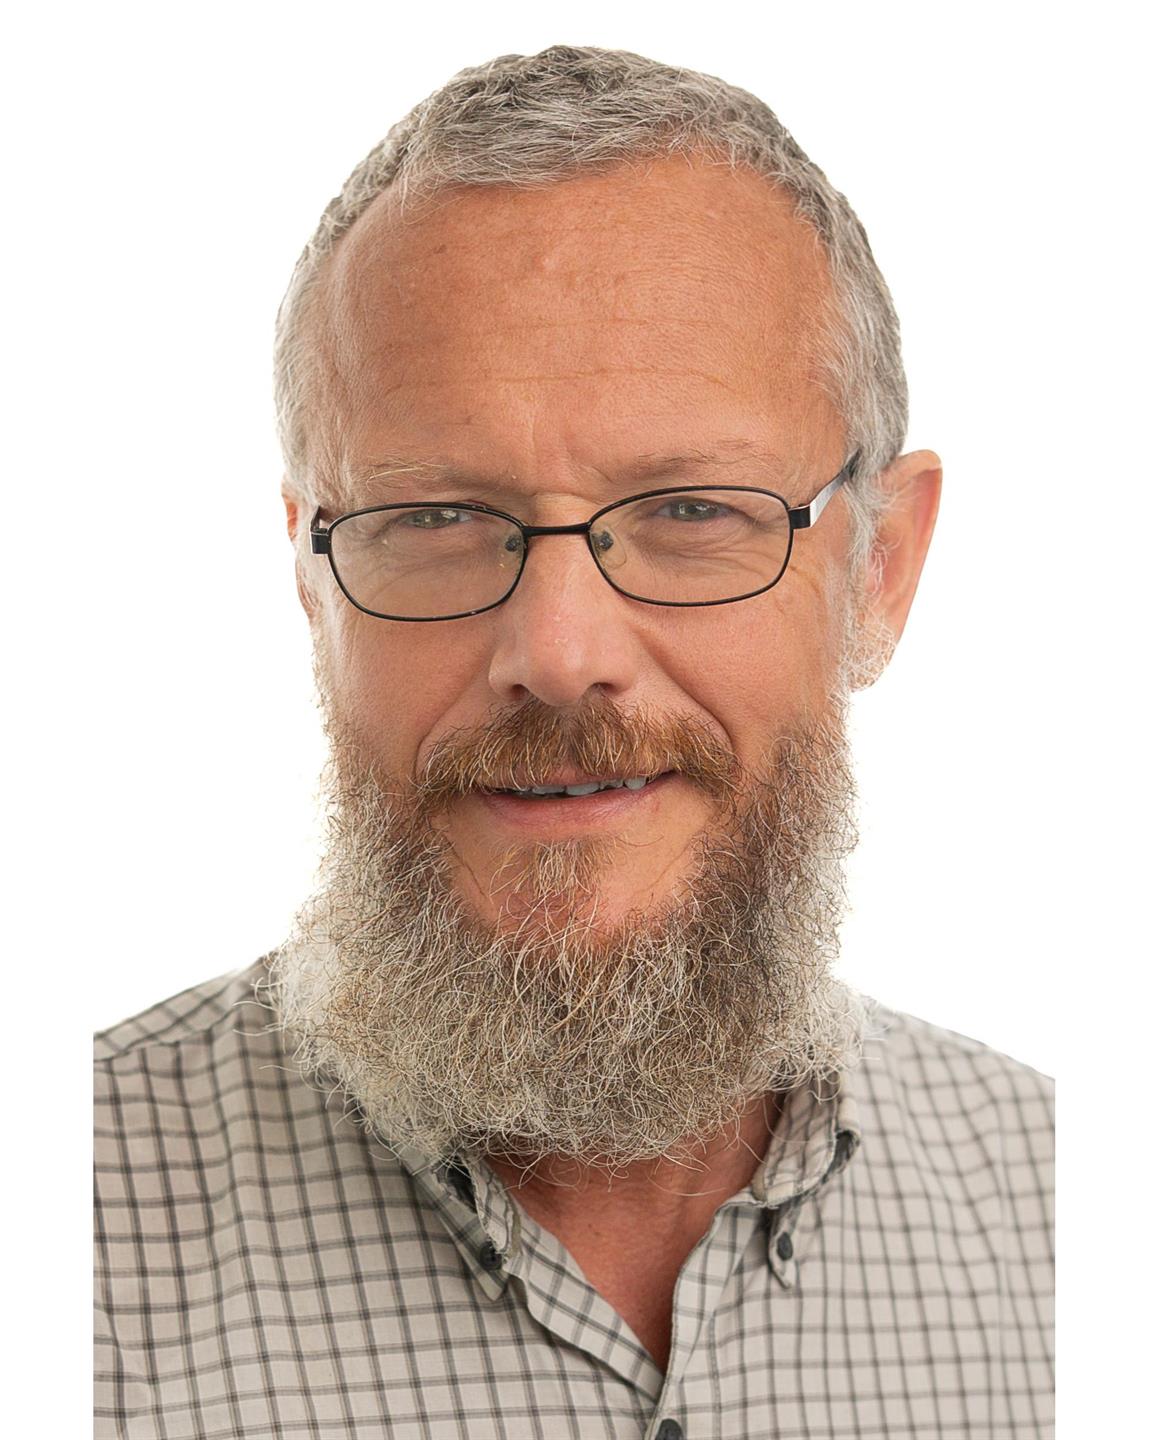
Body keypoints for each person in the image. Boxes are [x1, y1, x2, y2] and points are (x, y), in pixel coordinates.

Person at [94, 44, 1054, 1439]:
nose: (556, 653)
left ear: (883, 570)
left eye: (692, 511)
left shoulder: (1070, 1219)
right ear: (311, 580)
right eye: (434, 518)